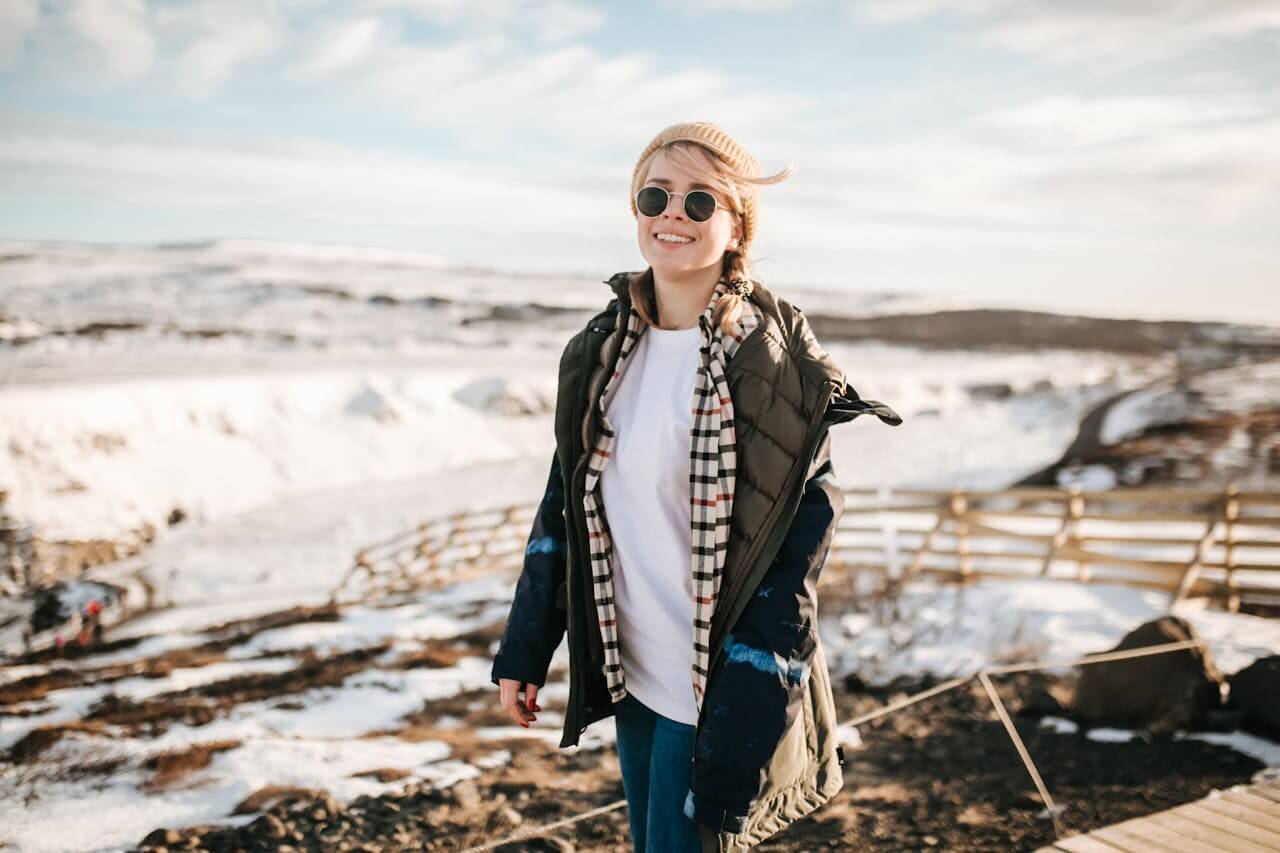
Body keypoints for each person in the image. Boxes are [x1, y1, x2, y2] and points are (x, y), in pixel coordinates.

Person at [491, 121, 903, 852]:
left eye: (699, 200)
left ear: (737, 223)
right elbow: (566, 507)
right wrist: (526, 648)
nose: (671, 214)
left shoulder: (777, 371)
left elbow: (791, 570)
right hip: (630, 667)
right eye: (655, 195)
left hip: (710, 690)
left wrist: (745, 732)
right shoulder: (603, 350)